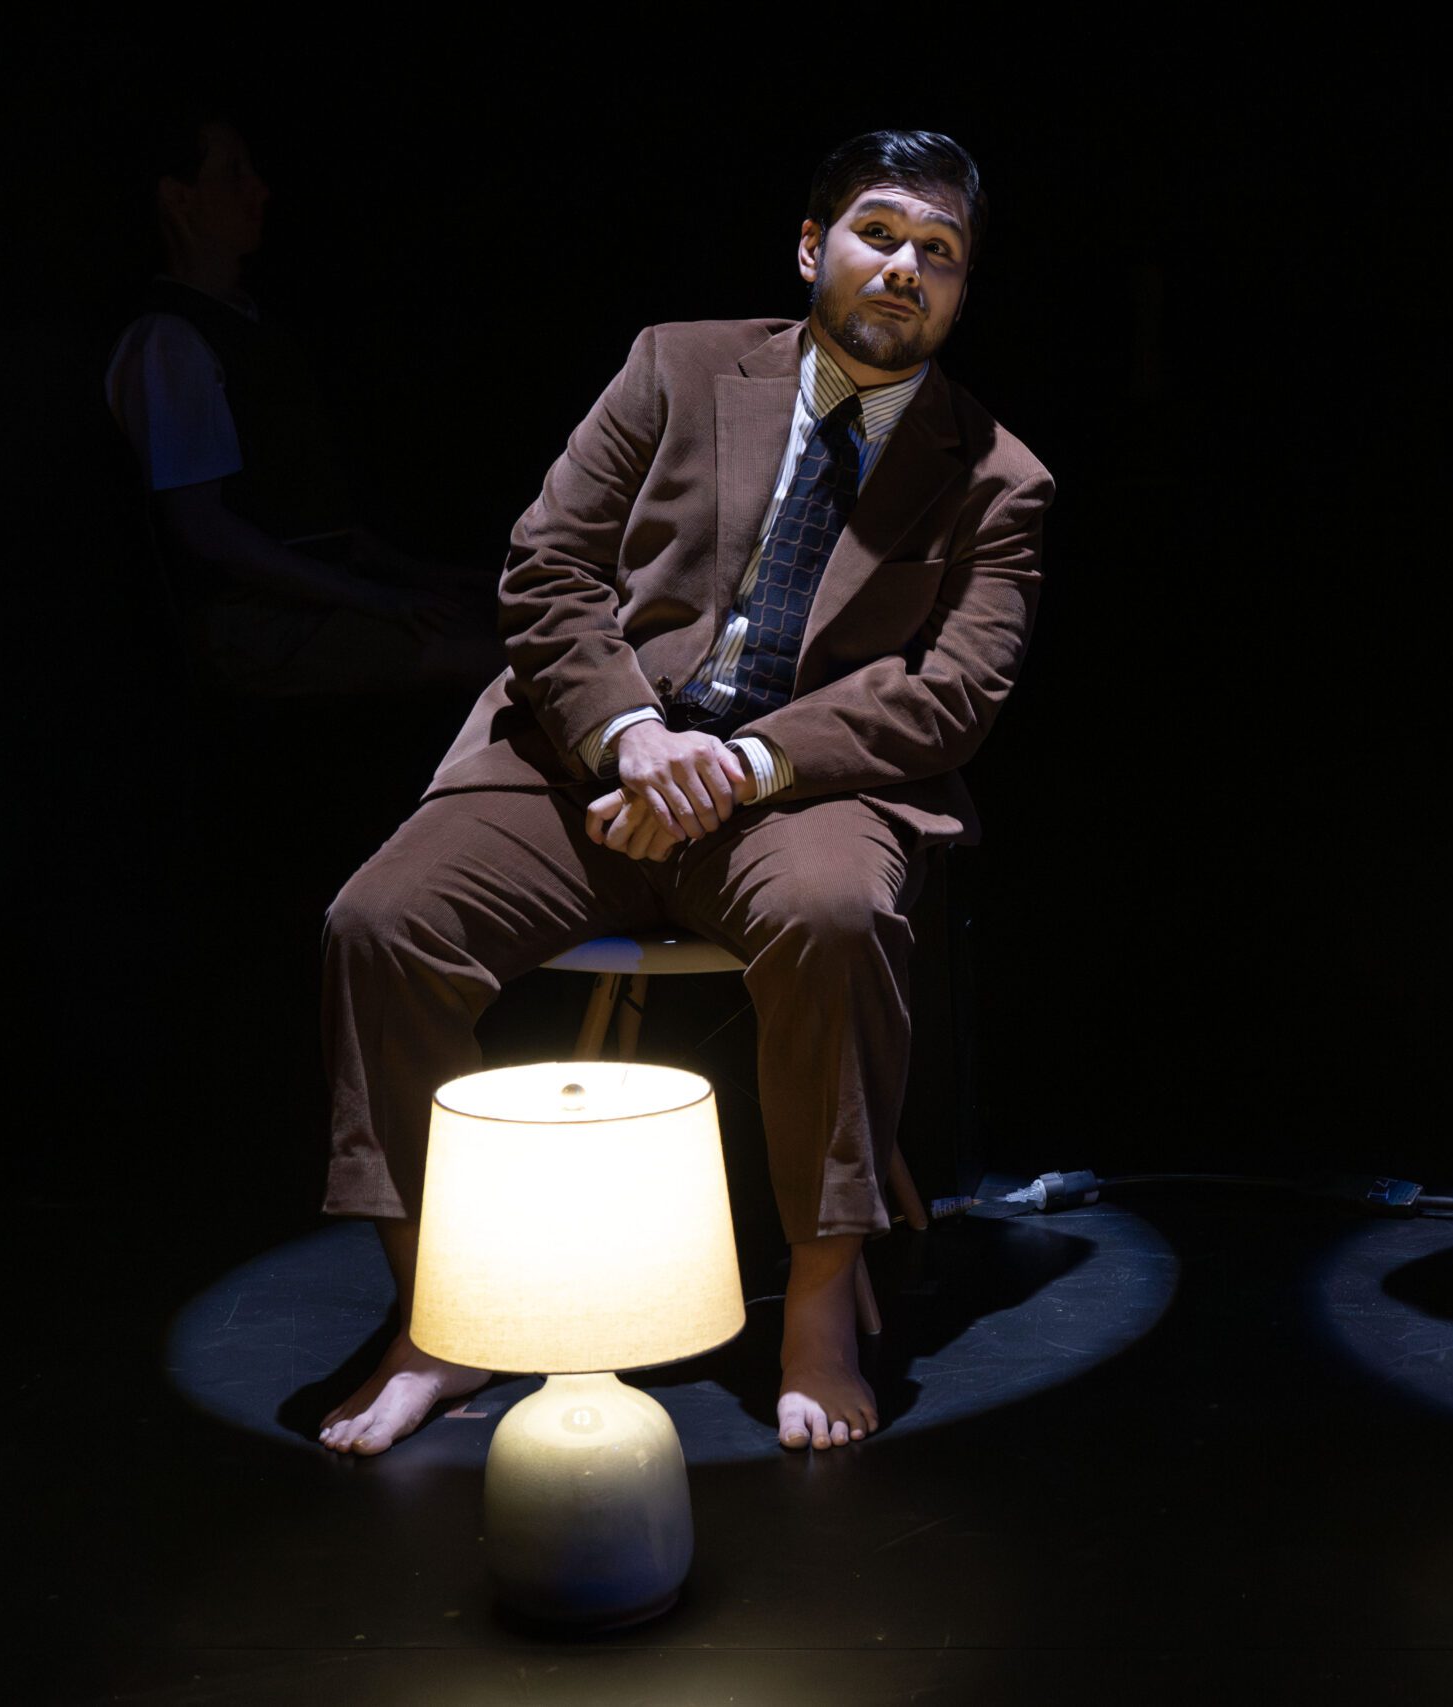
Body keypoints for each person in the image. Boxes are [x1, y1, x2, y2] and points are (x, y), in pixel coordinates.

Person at [316, 129, 1052, 1455]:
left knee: (835, 912)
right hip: (589, 761)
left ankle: (821, 1299)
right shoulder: (677, 361)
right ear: (814, 245)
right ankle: (437, 1305)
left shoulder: (1000, 474)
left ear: (961, 290)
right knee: (382, 922)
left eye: (940, 254)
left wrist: (748, 764)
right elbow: (548, 570)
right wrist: (636, 735)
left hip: (801, 790)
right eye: (882, 233)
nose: (906, 268)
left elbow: (956, 693)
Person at [104, 113, 495, 696]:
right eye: (234, 173)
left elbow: (320, 526)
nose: (259, 190)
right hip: (256, 626)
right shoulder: (170, 340)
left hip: (318, 603)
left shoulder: (249, 325)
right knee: (514, 664)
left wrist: (431, 578)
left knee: (524, 625)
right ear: (178, 197)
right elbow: (205, 531)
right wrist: (380, 599)